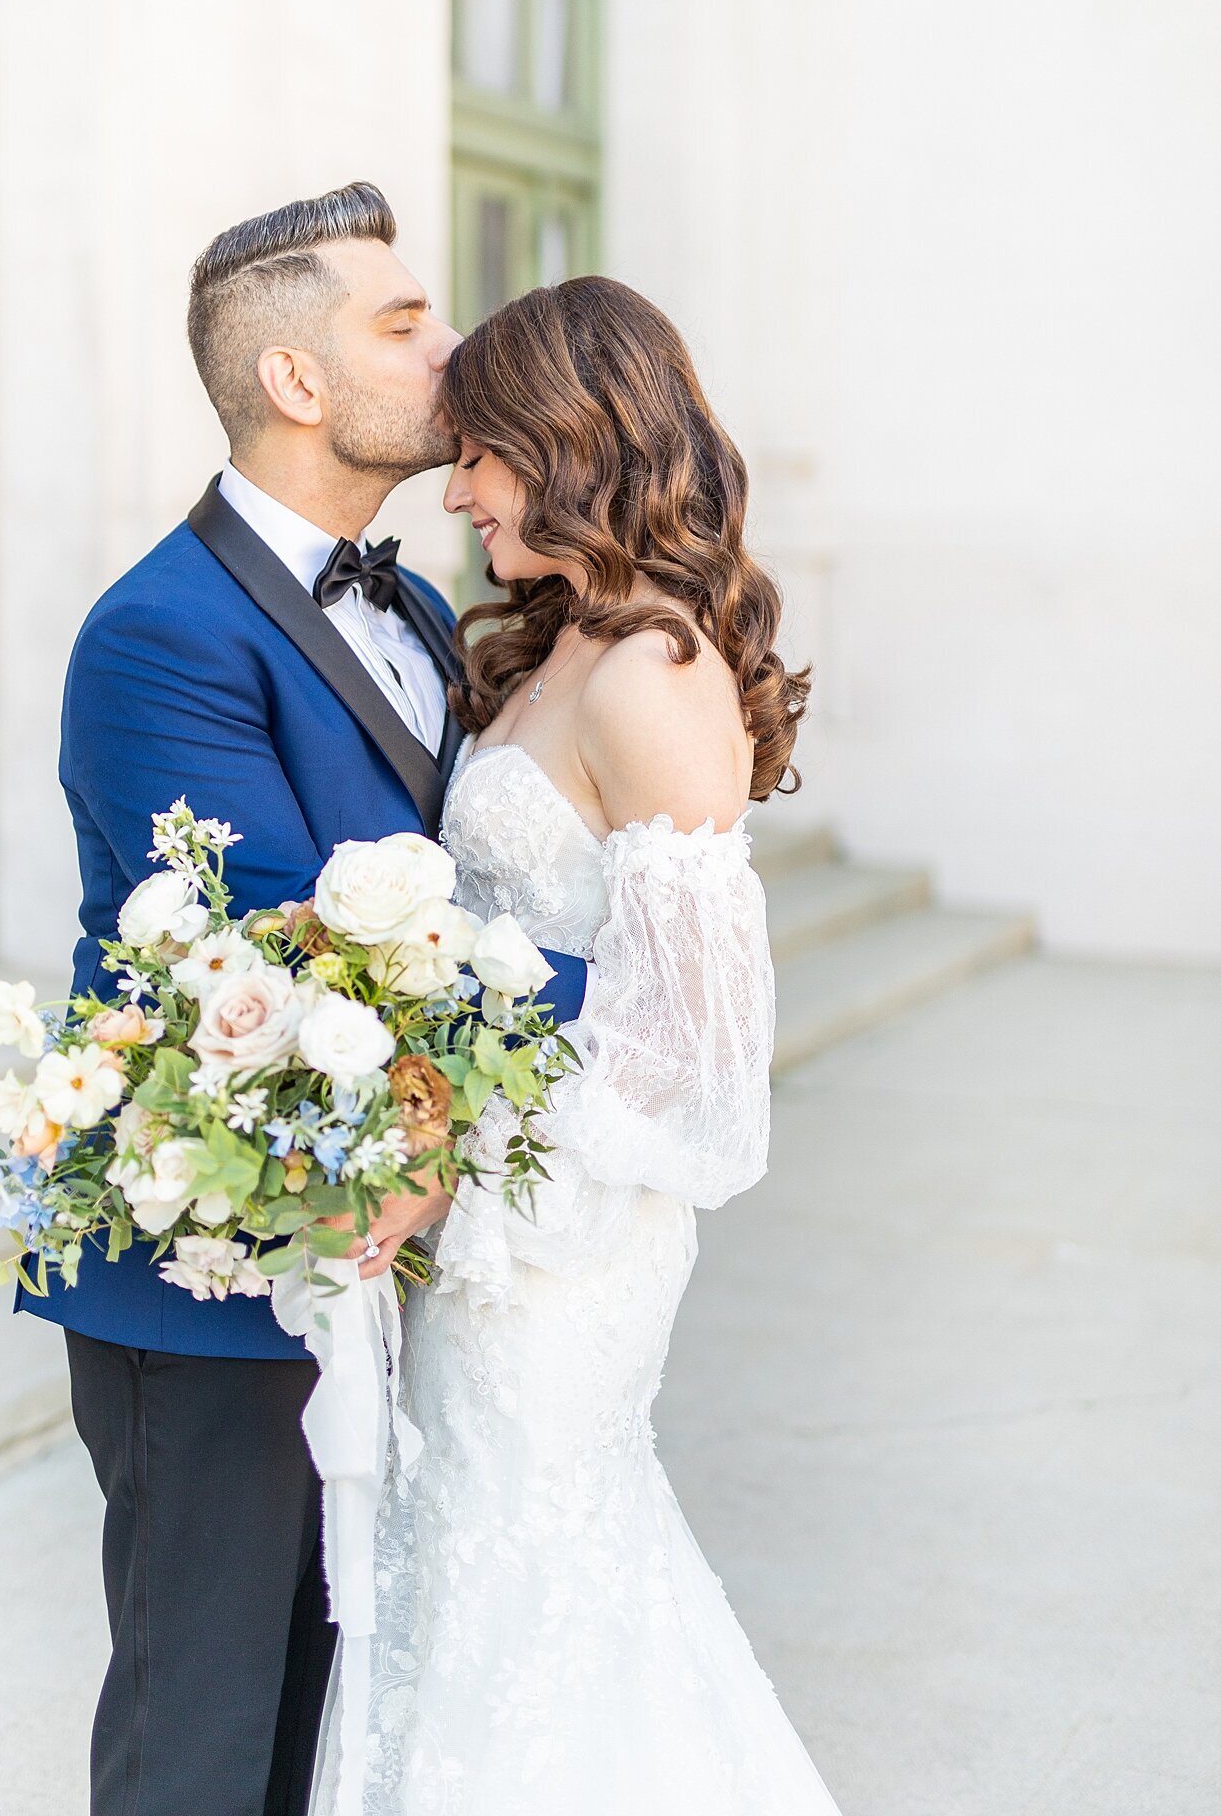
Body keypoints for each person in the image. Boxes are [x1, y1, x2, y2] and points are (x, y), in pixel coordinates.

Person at [29, 183, 592, 1816]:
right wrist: (629, 995)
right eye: (404, 324)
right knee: (205, 1734)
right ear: (294, 382)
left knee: (336, 1719)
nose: (454, 346)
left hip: (379, 1235)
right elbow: (279, 957)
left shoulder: (413, 600)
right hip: (213, 1279)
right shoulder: (156, 635)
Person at [313, 275, 840, 1815]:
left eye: (479, 450)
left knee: (535, 1562)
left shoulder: (656, 673)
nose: (456, 481)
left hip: (565, 1238)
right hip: (487, 1215)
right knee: (462, 1561)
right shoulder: (559, 644)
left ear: (569, 443)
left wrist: (459, 1125)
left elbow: (699, 1067)